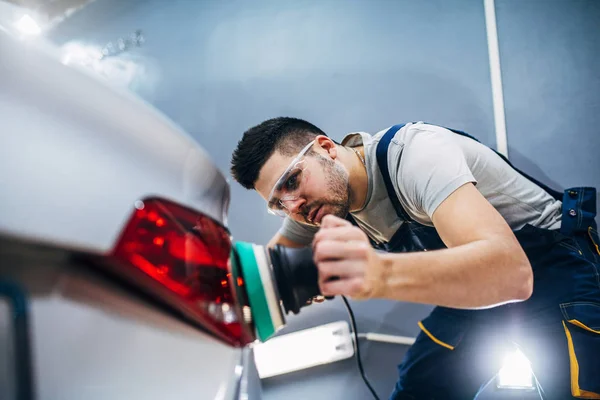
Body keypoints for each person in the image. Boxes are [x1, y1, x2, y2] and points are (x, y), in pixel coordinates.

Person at [230, 117, 600, 399]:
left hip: (555, 273)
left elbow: (512, 274)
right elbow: (268, 270)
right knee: (420, 388)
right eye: (278, 204)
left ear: (327, 148)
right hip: (476, 293)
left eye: (292, 182)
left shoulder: (416, 156)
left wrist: (375, 273)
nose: (294, 207)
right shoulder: (322, 204)